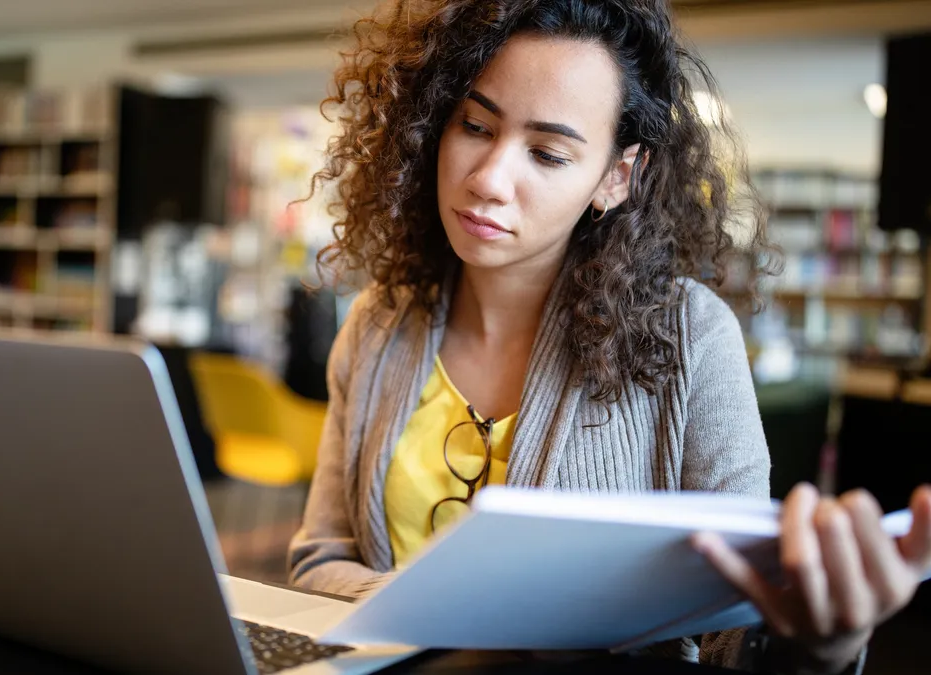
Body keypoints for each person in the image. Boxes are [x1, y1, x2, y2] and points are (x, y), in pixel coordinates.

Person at [287, 0, 931, 673]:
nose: (488, 179)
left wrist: (820, 644)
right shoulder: (379, 323)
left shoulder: (689, 336)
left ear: (615, 177)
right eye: (474, 125)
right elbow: (321, 556)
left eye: (547, 152)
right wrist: (445, 620)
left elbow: (734, 626)